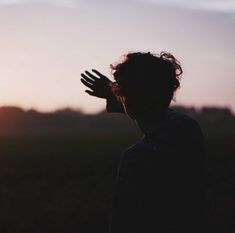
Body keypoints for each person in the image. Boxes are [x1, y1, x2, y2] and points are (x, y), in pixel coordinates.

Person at [81, 51, 206, 233]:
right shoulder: (189, 130)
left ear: (128, 98)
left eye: (121, 89)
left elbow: (122, 223)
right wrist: (118, 93)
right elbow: (152, 109)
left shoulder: (136, 158)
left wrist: (117, 94)